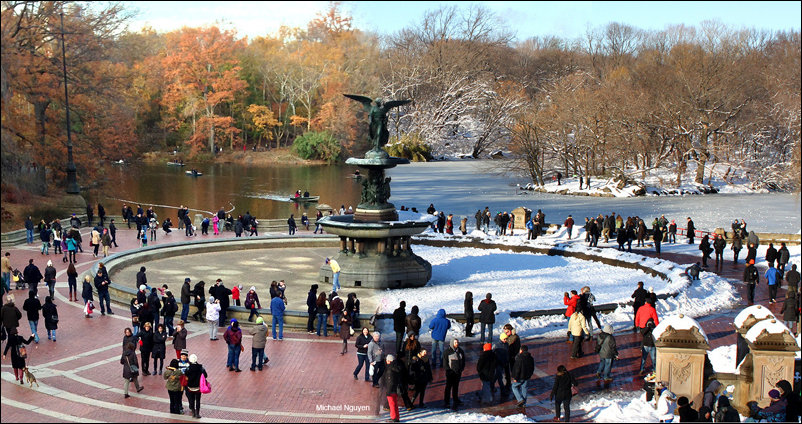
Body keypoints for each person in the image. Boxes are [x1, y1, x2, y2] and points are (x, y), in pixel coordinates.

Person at [443, 338, 465, 410]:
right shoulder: (447, 352)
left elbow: (463, 360)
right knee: (448, 387)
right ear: (452, 343)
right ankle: (447, 401)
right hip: (450, 373)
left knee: (456, 387)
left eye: (457, 342)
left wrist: (462, 368)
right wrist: (448, 370)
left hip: (458, 372)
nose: (457, 344)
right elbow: (445, 363)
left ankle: (456, 399)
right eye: (455, 342)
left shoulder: (460, 351)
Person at [184, 354, 208, 418]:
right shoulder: (200, 368)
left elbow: (185, 375)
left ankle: (193, 412)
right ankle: (197, 413)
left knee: (191, 400)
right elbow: (205, 375)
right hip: (198, 387)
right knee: (198, 400)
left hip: (190, 387)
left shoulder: (188, 368)